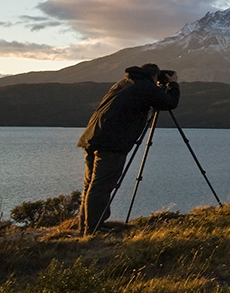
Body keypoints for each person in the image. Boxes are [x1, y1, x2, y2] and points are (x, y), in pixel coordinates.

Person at [77, 63, 180, 235]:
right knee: (101, 186)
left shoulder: (124, 83)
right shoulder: (145, 87)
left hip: (92, 137)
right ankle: (94, 229)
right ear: (154, 77)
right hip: (111, 142)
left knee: (91, 185)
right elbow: (169, 103)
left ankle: (86, 226)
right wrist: (173, 84)